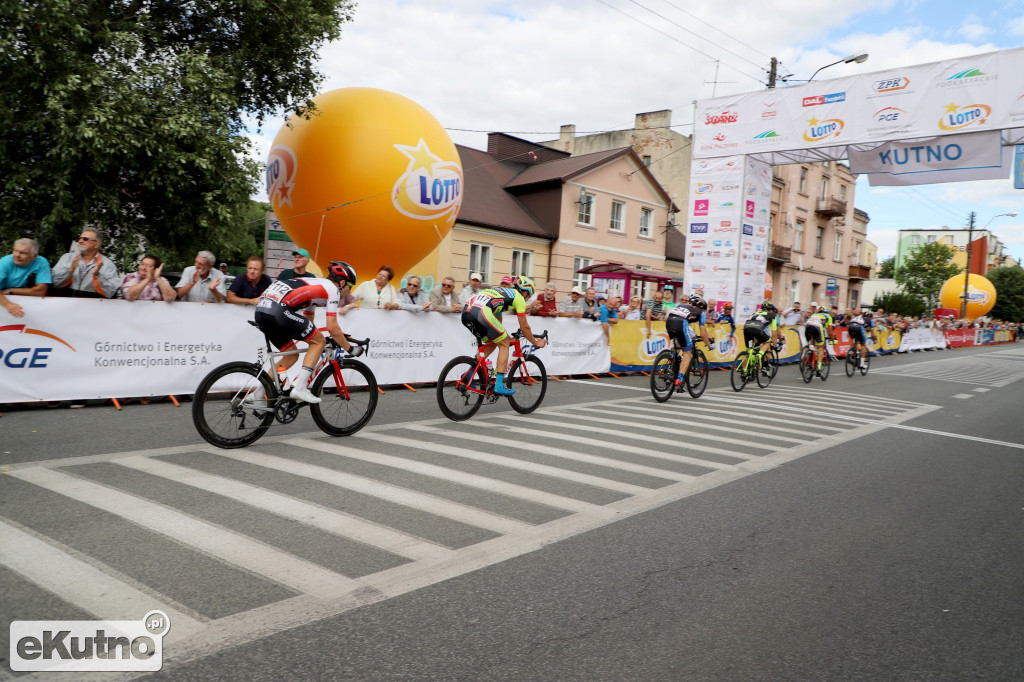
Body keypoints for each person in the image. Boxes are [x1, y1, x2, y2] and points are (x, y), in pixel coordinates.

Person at [253, 261, 362, 404]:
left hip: (262, 310)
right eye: (350, 286)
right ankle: (300, 388)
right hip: (278, 310)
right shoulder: (333, 289)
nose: (350, 291)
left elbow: (308, 322)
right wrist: (350, 348)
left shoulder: (315, 285)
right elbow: (333, 327)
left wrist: (327, 337)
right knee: (319, 341)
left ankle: (258, 393)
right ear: (342, 282)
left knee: (292, 355)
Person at [460, 275, 547, 396]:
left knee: (496, 341)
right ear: (526, 292)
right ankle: (499, 385)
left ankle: (469, 374)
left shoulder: (503, 293)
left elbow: (498, 322)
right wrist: (536, 342)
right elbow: (525, 327)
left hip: (466, 312)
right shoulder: (519, 298)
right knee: (504, 344)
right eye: (529, 296)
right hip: (481, 312)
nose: (528, 299)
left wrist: (505, 338)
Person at [50, 228, 120, 298]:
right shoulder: (67, 258)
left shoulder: (107, 264)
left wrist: (98, 275)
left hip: (92, 305)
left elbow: (110, 293)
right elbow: (55, 283)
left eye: (85, 239)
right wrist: (70, 270)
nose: (80, 241)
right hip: (67, 303)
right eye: (79, 238)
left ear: (97, 244)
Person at [664, 294, 714, 385]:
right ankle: (679, 379)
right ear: (703, 308)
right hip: (681, 323)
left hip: (669, 321)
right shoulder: (701, 313)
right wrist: (709, 345)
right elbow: (703, 334)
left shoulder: (681, 305)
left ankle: (672, 362)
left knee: (679, 344)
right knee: (687, 353)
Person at [0, 238, 51, 317]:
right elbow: (36, 291)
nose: (17, 255)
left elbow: (40, 291)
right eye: (15, 250)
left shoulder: (41, 262)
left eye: (23, 253)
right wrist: (7, 305)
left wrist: (10, 290)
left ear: (34, 256)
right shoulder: (4, 262)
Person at [742, 300, 782, 374]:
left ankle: (744, 371)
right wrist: (775, 345)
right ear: (771, 310)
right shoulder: (773, 316)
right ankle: (759, 355)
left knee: (748, 351)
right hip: (758, 329)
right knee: (768, 342)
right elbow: (774, 334)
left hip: (746, 329)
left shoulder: (755, 313)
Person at [805, 305, 836, 376]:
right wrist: (831, 339)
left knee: (812, 343)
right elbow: (830, 331)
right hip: (817, 327)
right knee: (821, 347)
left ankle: (809, 356)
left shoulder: (815, 314)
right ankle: (818, 368)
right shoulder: (828, 316)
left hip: (807, 326)